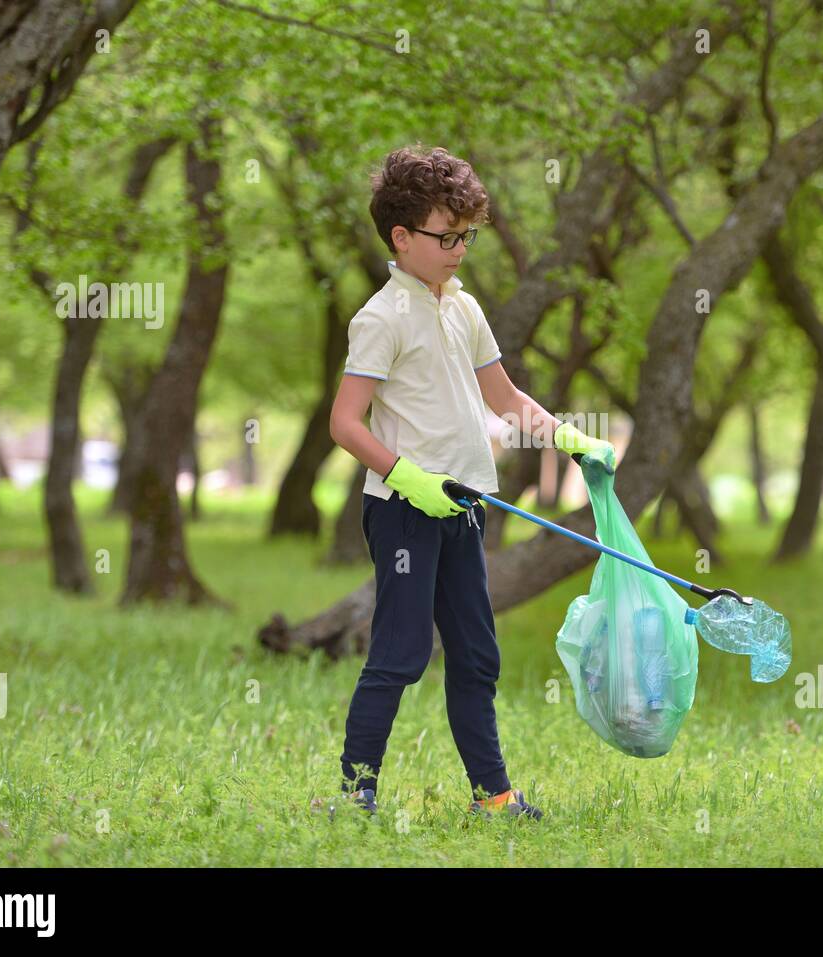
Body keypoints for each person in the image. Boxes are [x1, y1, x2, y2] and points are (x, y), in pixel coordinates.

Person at [328, 144, 617, 820]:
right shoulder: (381, 318)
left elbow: (506, 398)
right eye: (447, 236)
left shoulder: (463, 308)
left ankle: (494, 795)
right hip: (404, 511)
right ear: (402, 237)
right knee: (399, 655)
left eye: (468, 234)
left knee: (477, 656)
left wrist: (570, 439)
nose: (461, 248)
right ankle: (354, 794)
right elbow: (344, 423)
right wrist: (408, 478)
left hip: (464, 507)